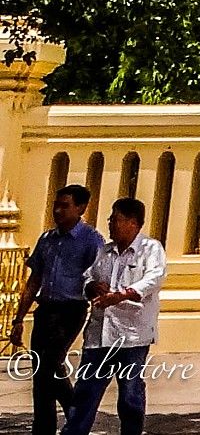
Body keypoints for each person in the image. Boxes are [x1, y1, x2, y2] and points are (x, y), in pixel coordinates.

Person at [60, 198, 161, 435]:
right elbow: (87, 277)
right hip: (99, 335)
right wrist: (93, 287)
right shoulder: (104, 252)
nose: (111, 224)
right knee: (85, 393)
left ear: (133, 222)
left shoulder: (150, 249)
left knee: (130, 395)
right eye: (110, 219)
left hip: (132, 336)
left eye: (115, 219)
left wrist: (120, 296)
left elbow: (153, 280)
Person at [10, 186, 102, 435]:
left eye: (65, 206)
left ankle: (76, 413)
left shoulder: (91, 240)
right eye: (56, 205)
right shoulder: (47, 239)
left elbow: (99, 277)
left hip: (70, 310)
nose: (58, 211)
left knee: (50, 364)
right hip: (46, 309)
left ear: (81, 208)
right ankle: (46, 426)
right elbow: (34, 279)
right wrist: (19, 317)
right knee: (41, 371)